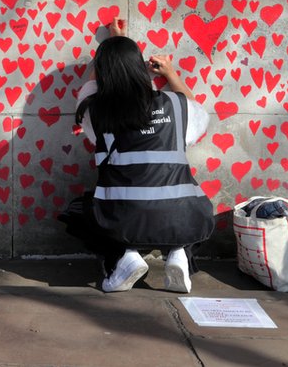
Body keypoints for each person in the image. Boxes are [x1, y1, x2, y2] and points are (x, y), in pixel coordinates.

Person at [67, 18, 214, 293]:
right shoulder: (174, 104)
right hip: (185, 217)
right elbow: (195, 111)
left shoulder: (95, 111)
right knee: (187, 206)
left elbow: (87, 89)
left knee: (81, 212)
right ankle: (179, 253)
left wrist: (109, 45)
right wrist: (171, 74)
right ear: (140, 66)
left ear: (101, 72)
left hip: (124, 218)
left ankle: (124, 257)